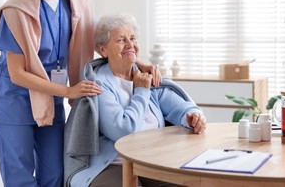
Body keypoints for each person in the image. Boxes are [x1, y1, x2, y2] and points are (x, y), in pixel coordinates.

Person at [0, 0, 159, 187]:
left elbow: (104, 42)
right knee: (20, 178)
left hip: (51, 98)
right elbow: (17, 74)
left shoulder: (76, 1)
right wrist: (69, 91)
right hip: (15, 100)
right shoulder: (16, 11)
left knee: (56, 174)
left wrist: (136, 62)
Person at [69, 14, 206, 187]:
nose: (130, 44)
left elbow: (179, 106)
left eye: (132, 38)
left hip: (151, 160)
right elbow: (123, 131)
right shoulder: (99, 84)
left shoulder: (144, 76)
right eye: (121, 40)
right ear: (102, 49)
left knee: (191, 182)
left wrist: (193, 115)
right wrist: (141, 91)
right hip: (113, 164)